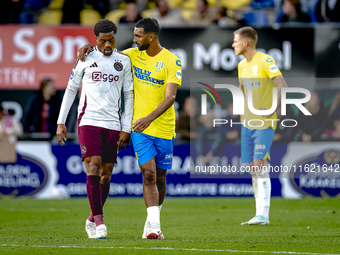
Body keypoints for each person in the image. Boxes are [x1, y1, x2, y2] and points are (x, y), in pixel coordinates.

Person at [78, 18, 182, 239]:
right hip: (140, 128)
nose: (134, 40)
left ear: (151, 37)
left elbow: (171, 96)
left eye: (138, 36)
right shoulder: (131, 56)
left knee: (161, 178)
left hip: (163, 128)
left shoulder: (172, 61)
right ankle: (154, 227)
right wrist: (87, 48)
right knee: (149, 174)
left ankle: (152, 220)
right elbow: (106, 51)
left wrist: (151, 118)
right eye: (134, 36)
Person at [56, 19, 134, 239]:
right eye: (103, 41)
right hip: (88, 120)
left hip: (112, 123)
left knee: (106, 176)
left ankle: (91, 217)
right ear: (96, 39)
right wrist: (61, 121)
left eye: (111, 40)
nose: (107, 44)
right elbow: (71, 90)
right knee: (94, 166)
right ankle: (100, 223)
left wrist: (126, 128)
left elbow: (128, 95)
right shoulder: (85, 57)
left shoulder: (123, 61)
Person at [232, 26, 288, 225]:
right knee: (252, 167)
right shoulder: (241, 66)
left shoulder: (265, 60)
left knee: (259, 164)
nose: (233, 44)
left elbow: (283, 86)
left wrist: (272, 108)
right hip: (247, 123)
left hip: (264, 122)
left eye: (235, 40)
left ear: (245, 43)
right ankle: (259, 214)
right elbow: (241, 87)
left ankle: (263, 214)